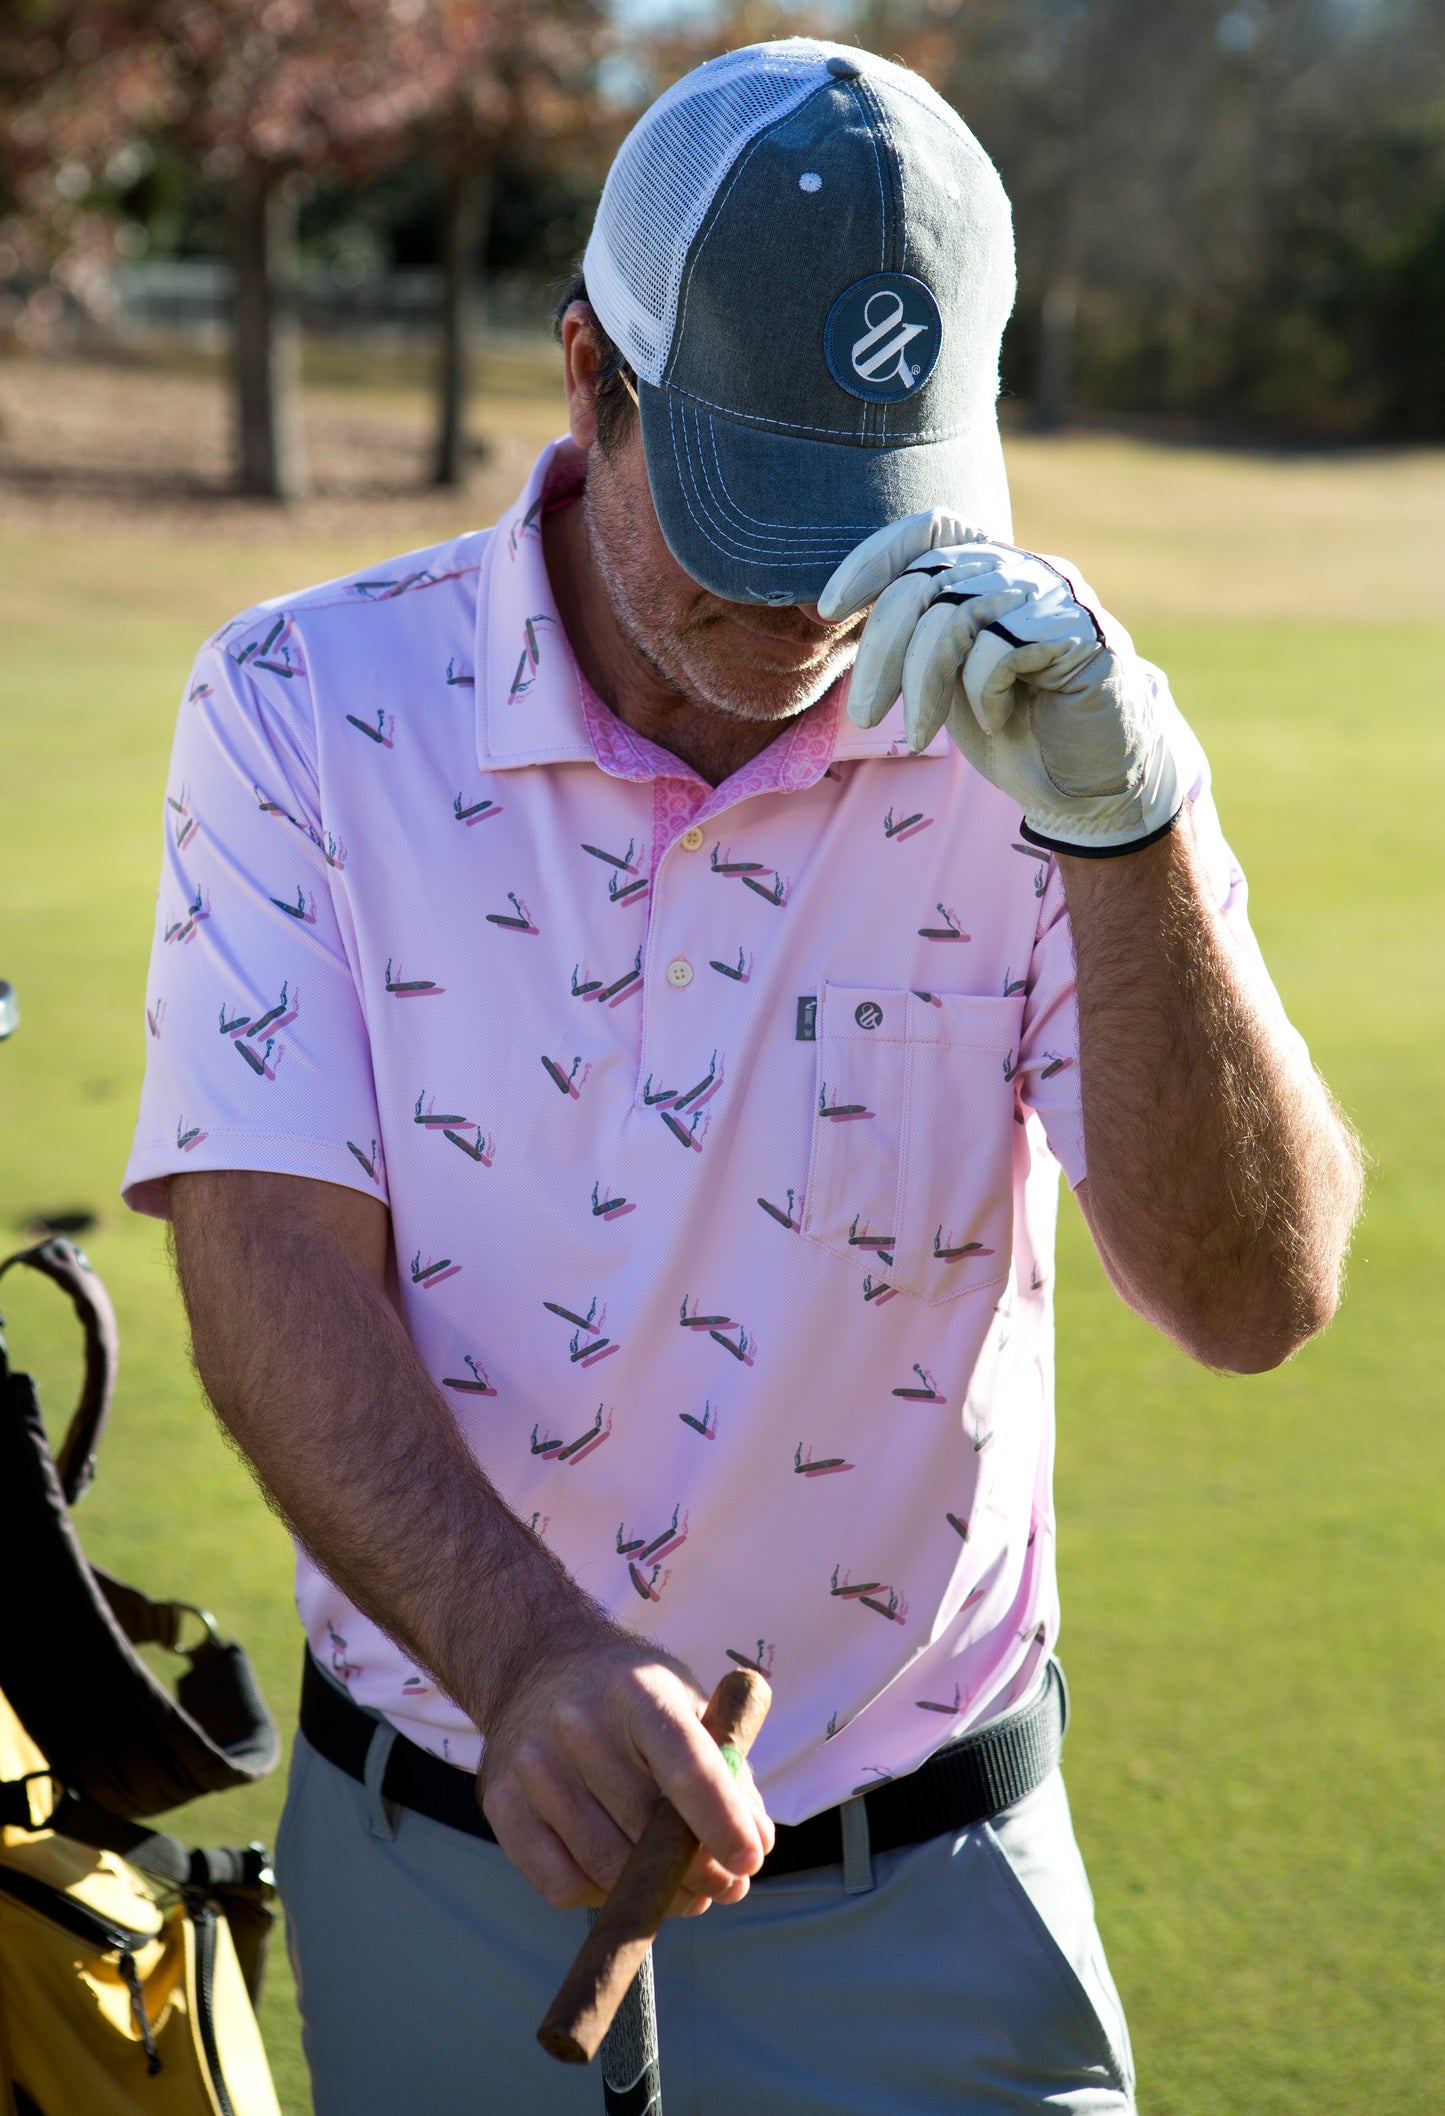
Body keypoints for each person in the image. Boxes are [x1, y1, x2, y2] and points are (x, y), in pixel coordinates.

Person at [124, 37, 1363, 2115]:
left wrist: (1130, 836)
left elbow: (1255, 1297)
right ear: (587, 373)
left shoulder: (1050, 724)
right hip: (442, 1866)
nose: (803, 593)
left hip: (927, 1882)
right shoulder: (303, 703)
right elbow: (266, 1243)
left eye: (862, 506)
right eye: (741, 501)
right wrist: (520, 1650)